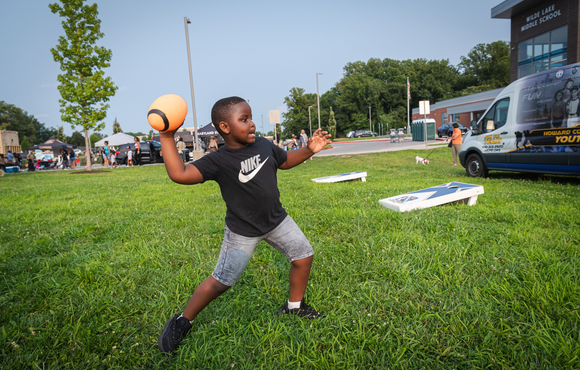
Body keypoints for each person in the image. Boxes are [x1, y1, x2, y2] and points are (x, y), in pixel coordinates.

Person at [157, 96, 330, 354]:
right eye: (244, 119)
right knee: (222, 281)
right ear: (225, 127)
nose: (251, 124)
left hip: (277, 220)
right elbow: (180, 175)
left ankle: (294, 307)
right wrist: (167, 137)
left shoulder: (263, 144)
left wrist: (308, 149)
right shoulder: (218, 160)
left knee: (303, 256)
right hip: (242, 232)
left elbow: (284, 161)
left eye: (250, 118)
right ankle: (182, 320)